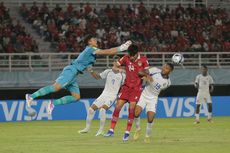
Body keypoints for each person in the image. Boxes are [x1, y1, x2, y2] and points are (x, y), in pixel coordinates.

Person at [25, 35, 132, 115]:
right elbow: (107, 52)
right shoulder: (91, 49)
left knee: (76, 97)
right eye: (94, 39)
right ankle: (31, 96)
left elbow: (89, 62)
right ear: (90, 42)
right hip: (71, 71)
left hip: (74, 75)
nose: (96, 41)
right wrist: (122, 47)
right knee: (56, 87)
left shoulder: (90, 52)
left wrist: (89, 69)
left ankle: (53, 104)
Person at [104, 44, 149, 141]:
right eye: (130, 55)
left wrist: (144, 75)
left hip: (136, 89)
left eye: (133, 55)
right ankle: (111, 130)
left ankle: (127, 132)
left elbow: (147, 73)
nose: (131, 57)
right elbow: (115, 68)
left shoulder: (144, 60)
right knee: (117, 107)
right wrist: (121, 69)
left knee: (131, 109)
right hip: (126, 87)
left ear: (137, 53)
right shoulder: (125, 58)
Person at [78, 55, 125, 136]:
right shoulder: (108, 71)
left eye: (118, 61)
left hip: (112, 96)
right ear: (113, 62)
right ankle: (87, 128)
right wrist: (91, 71)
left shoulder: (123, 74)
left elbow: (124, 86)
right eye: (115, 61)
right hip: (104, 94)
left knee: (102, 110)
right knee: (90, 110)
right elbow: (98, 77)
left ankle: (101, 130)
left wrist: (120, 95)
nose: (116, 62)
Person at [133, 63, 174, 143]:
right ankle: (138, 129)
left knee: (150, 118)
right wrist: (147, 75)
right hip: (144, 95)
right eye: (164, 66)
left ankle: (147, 136)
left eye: (167, 68)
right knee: (136, 112)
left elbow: (157, 88)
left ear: (170, 71)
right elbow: (140, 72)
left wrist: (150, 80)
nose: (164, 68)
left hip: (153, 98)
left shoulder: (168, 83)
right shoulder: (155, 70)